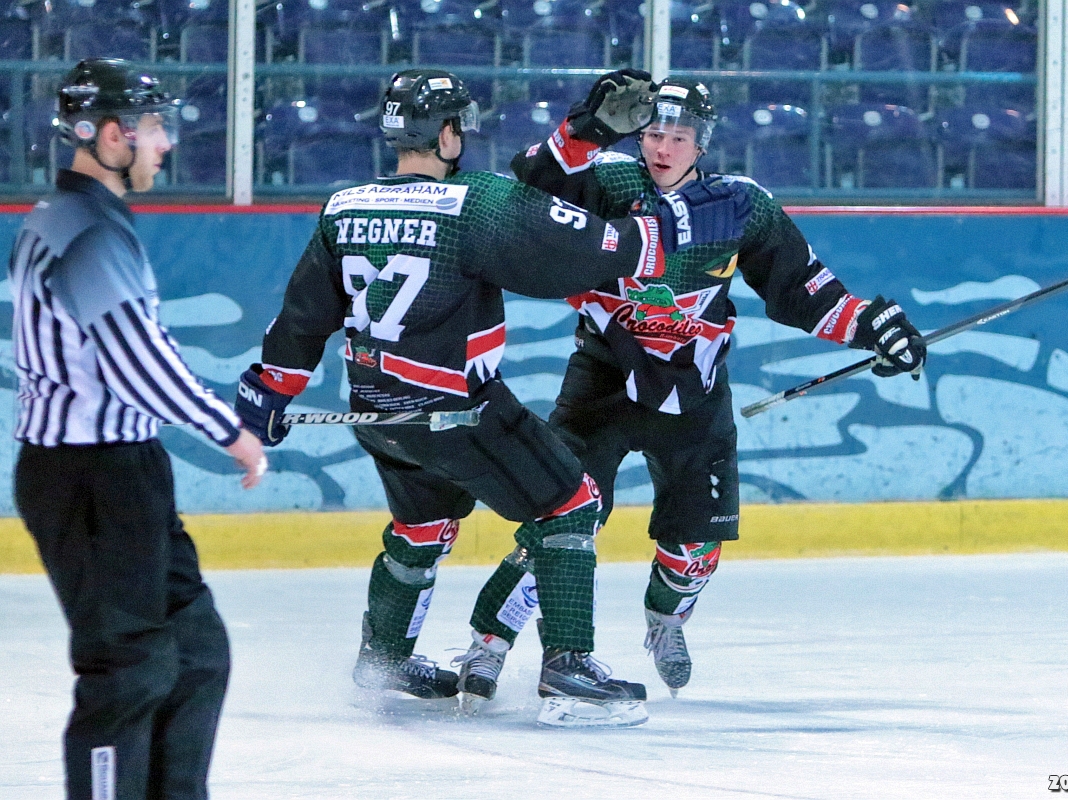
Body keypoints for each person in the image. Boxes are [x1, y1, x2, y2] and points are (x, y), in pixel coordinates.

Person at [233, 69, 750, 727]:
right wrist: (673, 227)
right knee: (572, 503)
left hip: (376, 412)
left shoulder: (344, 206)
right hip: (458, 413)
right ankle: (568, 668)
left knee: (420, 528)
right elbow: (591, 252)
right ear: (448, 133)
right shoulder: (473, 203)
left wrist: (270, 392)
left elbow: (303, 319)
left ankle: (384, 659)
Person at [455, 71, 927, 701]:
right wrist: (583, 129)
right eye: (654, 133)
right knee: (560, 524)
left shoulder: (741, 205)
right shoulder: (607, 180)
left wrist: (873, 327)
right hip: (602, 380)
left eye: (679, 136)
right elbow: (534, 185)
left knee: (695, 545)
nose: (664, 147)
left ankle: (666, 617)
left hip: (695, 391)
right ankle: (488, 643)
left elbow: (803, 290)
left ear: (701, 143)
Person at [10, 58, 266, 800]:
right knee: (127, 670)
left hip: (120, 467)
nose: (166, 142)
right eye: (154, 126)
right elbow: (135, 361)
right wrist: (230, 429)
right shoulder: (85, 228)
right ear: (112, 134)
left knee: (195, 653)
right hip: (88, 477)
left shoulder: (82, 218)